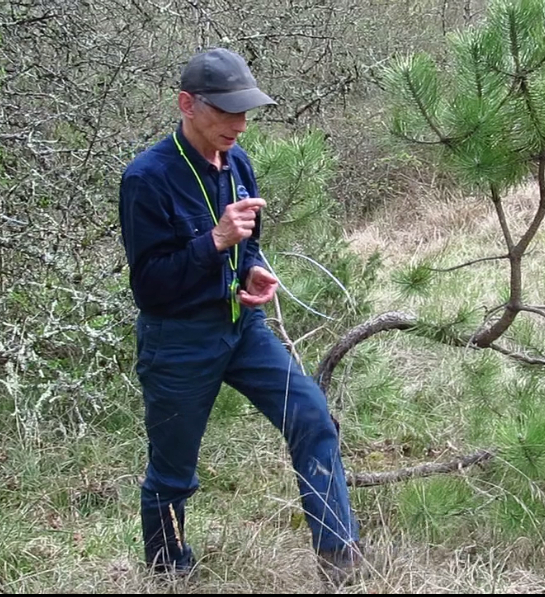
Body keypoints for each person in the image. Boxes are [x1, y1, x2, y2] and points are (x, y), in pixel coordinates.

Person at [118, 47, 361, 585]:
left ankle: (341, 560)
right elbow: (151, 285)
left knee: (312, 418)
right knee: (173, 472)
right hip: (178, 339)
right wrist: (216, 241)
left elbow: (248, 246)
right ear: (187, 104)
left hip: (242, 328)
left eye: (245, 110)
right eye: (227, 111)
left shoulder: (239, 162)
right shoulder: (147, 178)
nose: (240, 124)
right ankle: (169, 573)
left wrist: (250, 270)